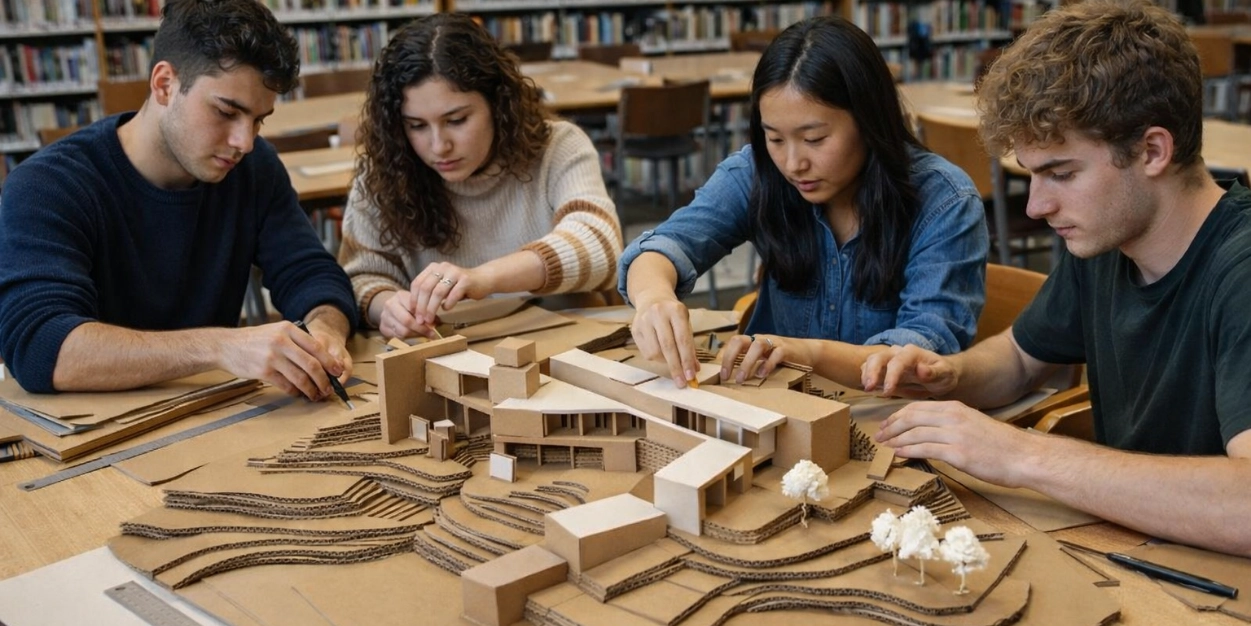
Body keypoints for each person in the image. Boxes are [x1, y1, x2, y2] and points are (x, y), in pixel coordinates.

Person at [865, 0, 1251, 557]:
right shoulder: (1104, 239)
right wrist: (946, 374)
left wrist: (1021, 456)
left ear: (1152, 150)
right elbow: (1021, 360)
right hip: (1134, 548)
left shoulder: (1240, 271)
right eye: (1033, 176)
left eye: (1061, 174)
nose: (1040, 205)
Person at [0, 0, 357, 401]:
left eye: (259, 120)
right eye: (226, 112)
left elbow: (311, 273)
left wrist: (326, 330)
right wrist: (220, 347)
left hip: (206, 415)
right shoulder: (48, 185)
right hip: (85, 431)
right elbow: (38, 346)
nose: (245, 141)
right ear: (165, 84)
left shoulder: (254, 169)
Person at [620, 16, 988, 389]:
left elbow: (923, 356)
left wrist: (808, 356)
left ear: (869, 121)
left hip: (887, 419)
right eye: (775, 139)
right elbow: (667, 245)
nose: (793, 164)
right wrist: (653, 297)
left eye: (814, 139)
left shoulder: (944, 201)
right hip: (773, 409)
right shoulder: (757, 172)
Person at [339, 14, 622, 340]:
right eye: (416, 125)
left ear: (498, 104)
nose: (438, 146)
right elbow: (360, 277)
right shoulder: (382, 173)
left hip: (562, 343)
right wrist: (386, 306)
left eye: (457, 120)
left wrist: (482, 279)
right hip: (450, 351)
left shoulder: (559, 147)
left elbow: (602, 248)